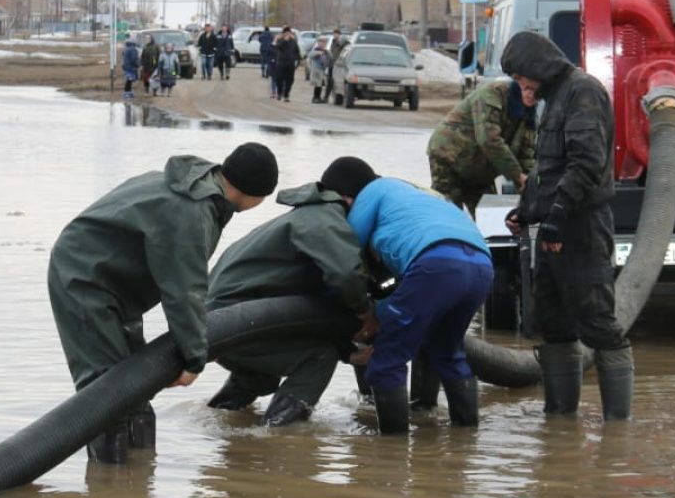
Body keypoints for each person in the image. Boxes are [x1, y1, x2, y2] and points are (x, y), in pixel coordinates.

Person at [48, 143, 280, 463]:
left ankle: (140, 482)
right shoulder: (192, 209)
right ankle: (112, 494)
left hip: (115, 284)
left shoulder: (195, 190)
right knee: (105, 395)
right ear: (255, 194)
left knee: (135, 394)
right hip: (84, 277)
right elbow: (185, 290)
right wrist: (194, 359)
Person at [499, 31, 629, 421]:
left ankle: (617, 427)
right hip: (554, 226)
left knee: (598, 320)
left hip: (582, 225)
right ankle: (559, 419)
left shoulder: (582, 92)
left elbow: (585, 163)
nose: (522, 86)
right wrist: (527, 210)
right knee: (552, 322)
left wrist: (556, 218)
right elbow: (546, 169)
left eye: (523, 77)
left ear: (538, 66)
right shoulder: (552, 99)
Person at [320, 156, 493, 433]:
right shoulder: (416, 192)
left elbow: (347, 251)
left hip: (436, 264)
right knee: (448, 353)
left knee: (387, 361)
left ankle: (393, 451)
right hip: (481, 265)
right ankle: (466, 439)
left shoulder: (371, 193)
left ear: (344, 196)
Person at [204, 180, 372, 426]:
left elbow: (308, 313)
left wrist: (349, 352)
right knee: (321, 355)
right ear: (349, 200)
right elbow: (346, 278)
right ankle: (279, 432)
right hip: (236, 322)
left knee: (262, 376)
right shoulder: (324, 220)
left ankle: (217, 420)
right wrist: (365, 312)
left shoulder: (301, 218)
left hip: (219, 325)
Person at [426, 77, 538, 213]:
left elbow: (526, 153)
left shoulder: (529, 113)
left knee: (490, 215)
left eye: (537, 92)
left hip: (481, 170)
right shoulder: (492, 94)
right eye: (527, 89)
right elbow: (489, 140)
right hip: (450, 157)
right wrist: (517, 175)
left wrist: (528, 183)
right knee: (449, 213)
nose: (531, 95)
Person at [273, 26, 300, 102]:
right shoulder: (280, 40)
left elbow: (297, 51)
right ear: (283, 33)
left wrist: (297, 60)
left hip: (290, 63)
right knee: (279, 79)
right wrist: (284, 40)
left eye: (289, 33)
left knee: (290, 80)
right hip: (281, 63)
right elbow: (277, 47)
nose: (288, 34)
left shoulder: (293, 41)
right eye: (286, 33)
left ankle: (286, 95)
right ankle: (279, 93)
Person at [308, 36, 333, 103]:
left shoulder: (326, 51)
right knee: (317, 84)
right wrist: (319, 53)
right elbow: (311, 55)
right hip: (317, 69)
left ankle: (318, 97)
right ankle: (315, 97)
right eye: (321, 42)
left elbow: (330, 58)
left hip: (323, 70)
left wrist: (327, 53)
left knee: (321, 84)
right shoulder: (316, 49)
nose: (323, 44)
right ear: (318, 43)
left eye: (324, 42)